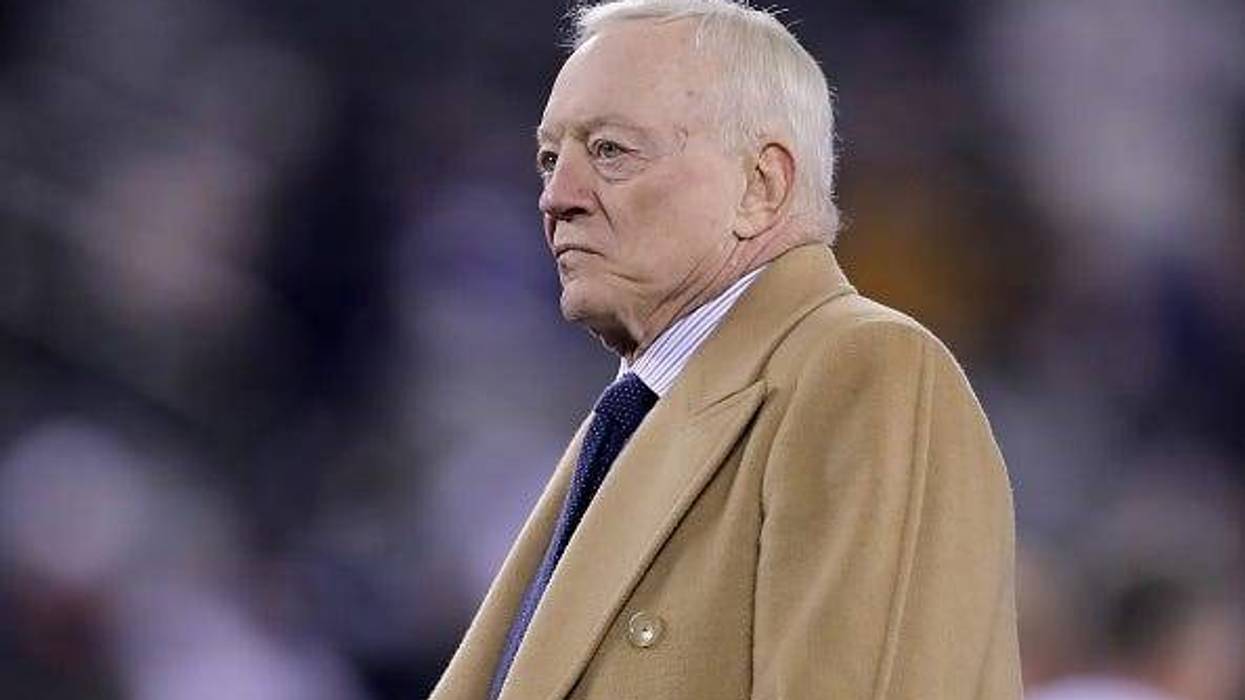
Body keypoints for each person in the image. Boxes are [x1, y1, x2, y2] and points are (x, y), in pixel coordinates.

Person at [430, 1, 1021, 698]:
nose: (556, 197)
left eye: (610, 151)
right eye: (549, 159)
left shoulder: (862, 369)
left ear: (760, 187)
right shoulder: (631, 419)